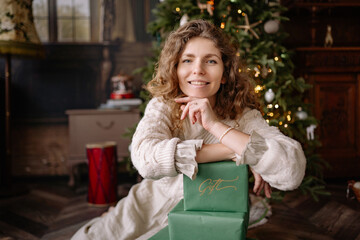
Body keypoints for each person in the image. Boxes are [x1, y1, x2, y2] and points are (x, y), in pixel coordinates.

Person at [71, 19, 306, 240]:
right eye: (187, 60)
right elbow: (144, 158)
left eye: (211, 61)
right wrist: (233, 150)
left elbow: (291, 171)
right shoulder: (163, 105)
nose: (198, 70)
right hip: (144, 208)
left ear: (224, 74)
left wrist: (216, 125)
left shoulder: (242, 115)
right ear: (175, 68)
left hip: (207, 216)